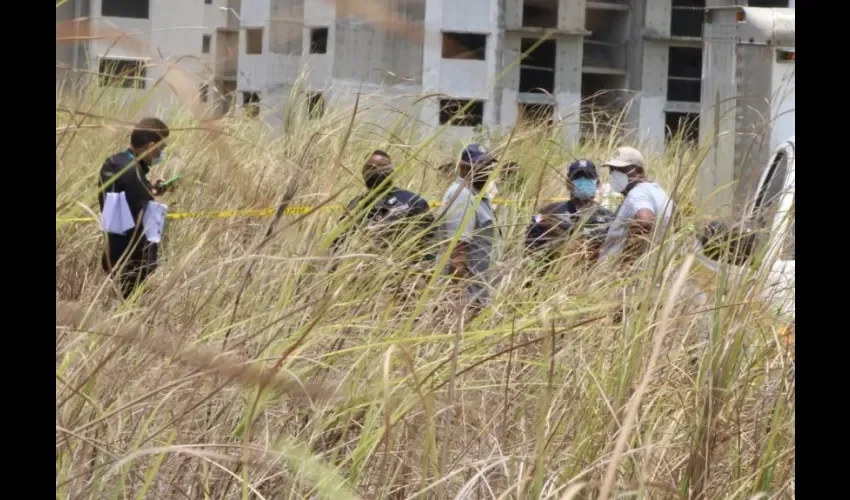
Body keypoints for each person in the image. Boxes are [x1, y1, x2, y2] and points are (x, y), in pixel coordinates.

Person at [98, 117, 172, 299]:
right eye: (160, 150)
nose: (159, 155)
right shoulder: (132, 172)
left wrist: (150, 189)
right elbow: (142, 215)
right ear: (150, 146)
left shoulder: (117, 162)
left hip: (115, 251)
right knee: (129, 308)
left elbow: (124, 199)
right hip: (130, 260)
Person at [334, 150, 434, 259]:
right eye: (370, 167)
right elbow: (340, 241)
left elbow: (430, 240)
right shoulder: (355, 204)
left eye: (382, 167)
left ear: (392, 171)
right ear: (363, 172)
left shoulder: (412, 201)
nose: (376, 171)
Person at [439, 144, 501, 312]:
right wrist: (459, 300)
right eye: (480, 166)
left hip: (480, 293)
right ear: (463, 167)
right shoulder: (462, 196)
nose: (485, 171)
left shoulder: (476, 196)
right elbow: (457, 254)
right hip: (468, 298)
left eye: (488, 166)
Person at [525, 159, 615, 274]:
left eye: (588, 177)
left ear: (597, 183)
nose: (583, 181)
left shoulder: (608, 217)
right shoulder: (550, 212)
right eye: (577, 178)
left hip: (591, 279)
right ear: (568, 183)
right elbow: (531, 249)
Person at [599, 146, 674, 263]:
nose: (614, 175)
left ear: (639, 172)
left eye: (620, 170)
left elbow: (645, 221)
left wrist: (626, 265)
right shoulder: (659, 191)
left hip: (634, 276)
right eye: (612, 170)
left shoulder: (637, 194)